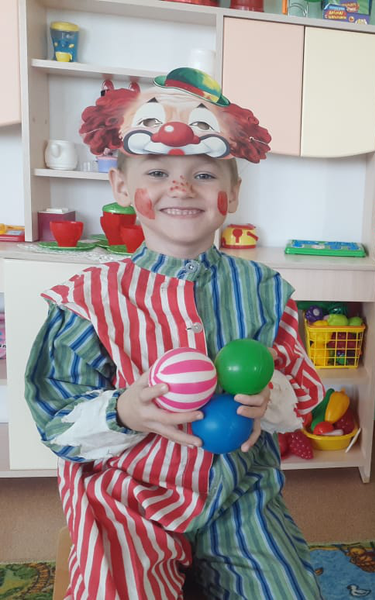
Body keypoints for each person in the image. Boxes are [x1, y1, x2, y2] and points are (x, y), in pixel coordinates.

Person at [25, 68, 324, 600]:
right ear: (121, 187)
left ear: (233, 191)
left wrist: (271, 397)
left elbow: (305, 391)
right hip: (127, 498)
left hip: (240, 493)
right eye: (158, 172)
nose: (181, 187)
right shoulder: (88, 298)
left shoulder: (265, 290)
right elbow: (56, 419)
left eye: (205, 174)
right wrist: (124, 411)